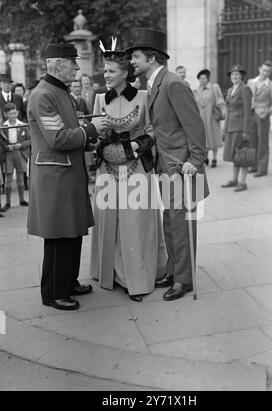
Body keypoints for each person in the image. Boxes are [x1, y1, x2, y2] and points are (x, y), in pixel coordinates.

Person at [127, 28, 209, 301]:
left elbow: (195, 127)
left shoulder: (173, 83)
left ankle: (184, 280)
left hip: (182, 167)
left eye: (136, 56)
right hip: (165, 165)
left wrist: (194, 162)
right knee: (170, 220)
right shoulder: (152, 85)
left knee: (181, 222)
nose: (132, 61)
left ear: (152, 57)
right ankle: (174, 271)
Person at [27, 43, 104, 311]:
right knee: (60, 235)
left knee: (72, 231)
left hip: (67, 173)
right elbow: (57, 138)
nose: (77, 67)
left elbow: (68, 132)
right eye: (73, 62)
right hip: (55, 176)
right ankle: (53, 293)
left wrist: (86, 141)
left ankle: (68, 282)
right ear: (58, 64)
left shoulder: (59, 91)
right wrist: (91, 130)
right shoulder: (43, 95)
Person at [90, 49, 167, 303]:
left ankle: (138, 279)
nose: (106, 75)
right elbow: (96, 135)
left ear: (125, 73)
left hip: (136, 169)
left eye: (111, 71)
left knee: (135, 224)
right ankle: (112, 273)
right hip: (108, 170)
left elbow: (153, 130)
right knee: (110, 221)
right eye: (105, 70)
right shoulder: (100, 98)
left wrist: (134, 147)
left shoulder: (144, 97)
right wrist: (104, 147)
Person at [221, 65, 252, 192]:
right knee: (235, 155)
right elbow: (228, 111)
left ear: (241, 76)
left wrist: (246, 130)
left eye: (237, 74)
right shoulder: (230, 90)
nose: (234, 77)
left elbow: (247, 111)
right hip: (230, 127)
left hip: (240, 128)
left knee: (242, 155)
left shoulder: (245, 89)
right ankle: (234, 179)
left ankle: (243, 182)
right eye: (232, 75)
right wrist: (224, 129)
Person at [247, 61, 272, 177]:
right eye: (264, 70)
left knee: (263, 143)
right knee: (252, 141)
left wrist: (267, 112)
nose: (266, 73)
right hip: (251, 114)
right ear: (259, 69)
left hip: (263, 116)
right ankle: (253, 165)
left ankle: (262, 168)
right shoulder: (251, 82)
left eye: (268, 71)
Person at [193, 69, 226, 168]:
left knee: (214, 137)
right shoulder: (195, 91)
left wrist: (223, 111)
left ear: (208, 79)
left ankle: (215, 158)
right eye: (200, 78)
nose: (202, 80)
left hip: (212, 117)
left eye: (204, 78)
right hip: (201, 119)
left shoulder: (214, 88)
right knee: (204, 139)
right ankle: (205, 157)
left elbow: (220, 100)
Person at [0, 103, 30, 210]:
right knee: (8, 178)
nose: (13, 115)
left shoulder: (22, 125)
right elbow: (1, 141)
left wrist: (21, 145)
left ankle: (22, 200)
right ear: (6, 114)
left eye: (15, 112)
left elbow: (30, 139)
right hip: (8, 153)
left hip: (19, 152)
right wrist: (6, 147)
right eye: (11, 113)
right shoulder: (3, 126)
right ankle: (8, 202)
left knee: (20, 177)